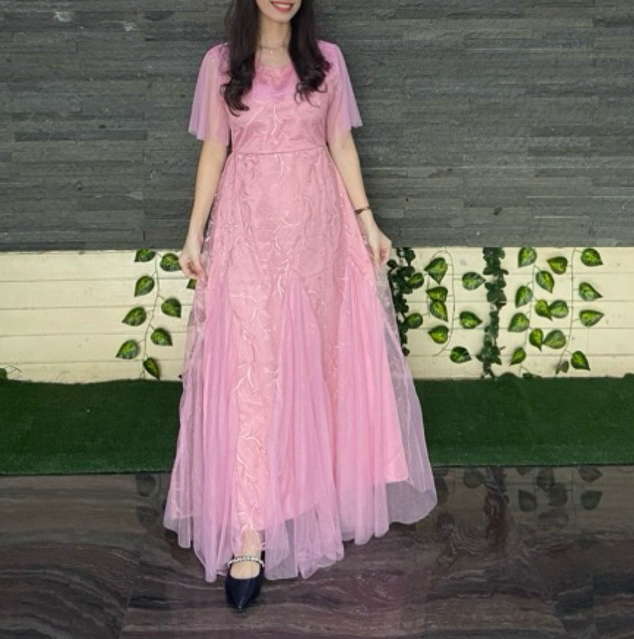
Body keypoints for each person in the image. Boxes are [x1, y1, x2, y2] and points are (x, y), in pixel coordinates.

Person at [163, 0, 438, 611]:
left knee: (318, 361)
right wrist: (193, 233)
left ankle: (310, 493)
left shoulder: (327, 61)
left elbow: (340, 143)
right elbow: (214, 151)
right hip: (249, 230)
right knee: (250, 370)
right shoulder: (220, 64)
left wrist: (367, 221)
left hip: (319, 231)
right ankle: (248, 532)